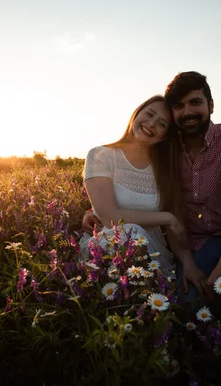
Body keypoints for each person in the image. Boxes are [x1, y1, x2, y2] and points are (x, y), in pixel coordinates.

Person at [83, 72, 221, 306]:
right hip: (195, 242)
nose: (188, 112)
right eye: (179, 106)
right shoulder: (167, 154)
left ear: (210, 105)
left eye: (195, 103)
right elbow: (119, 198)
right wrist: (96, 212)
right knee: (190, 304)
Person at [79, 95, 187, 278]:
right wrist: (167, 218)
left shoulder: (163, 169)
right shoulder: (100, 155)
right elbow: (110, 218)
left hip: (153, 251)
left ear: (164, 136)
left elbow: (176, 228)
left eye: (161, 124)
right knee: (132, 232)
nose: (152, 123)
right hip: (108, 248)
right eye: (149, 114)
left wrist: (187, 263)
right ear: (136, 114)